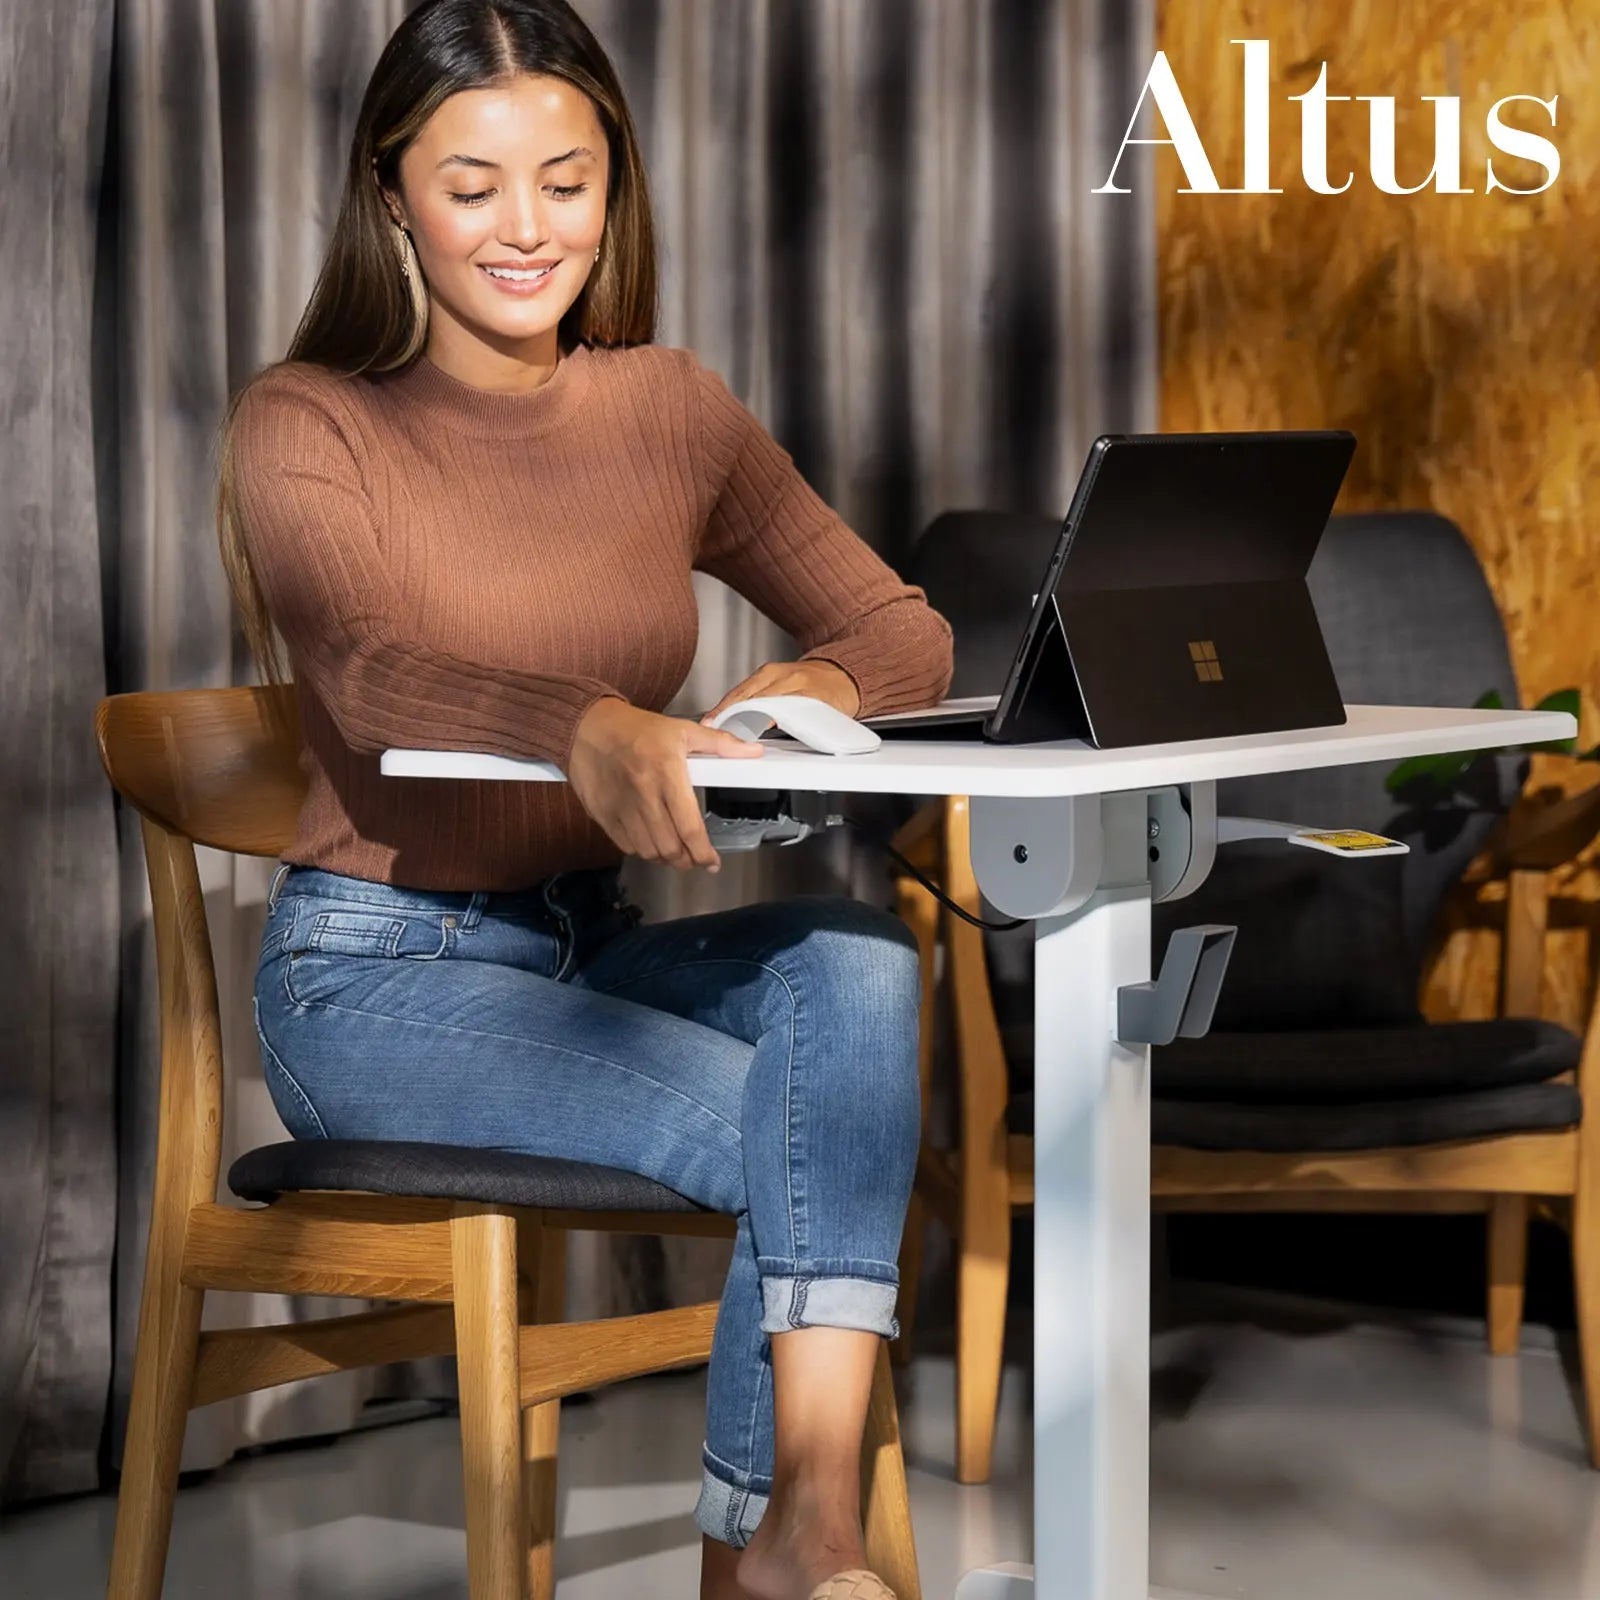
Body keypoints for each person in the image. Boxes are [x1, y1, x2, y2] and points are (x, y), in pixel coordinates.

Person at [222, 3, 954, 1597]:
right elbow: (361, 672)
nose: (526, 227)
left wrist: (809, 693)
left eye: (566, 179)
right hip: (374, 977)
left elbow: (902, 627)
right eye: (472, 184)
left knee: (859, 968)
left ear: (614, 184)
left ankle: (790, 1535)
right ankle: (794, 1551)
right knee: (801, 1126)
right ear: (390, 192)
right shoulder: (309, 420)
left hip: (582, 951)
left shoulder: (667, 411)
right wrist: (591, 724)